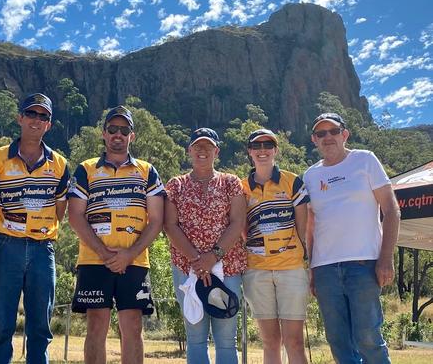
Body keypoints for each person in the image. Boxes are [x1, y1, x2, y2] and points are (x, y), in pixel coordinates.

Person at [67, 105, 164, 364]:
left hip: (134, 262)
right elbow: (75, 215)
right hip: (94, 260)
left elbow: (156, 219)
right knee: (96, 327)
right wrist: (103, 253)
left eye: (124, 130)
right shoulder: (85, 169)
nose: (118, 134)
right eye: (113, 129)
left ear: (132, 136)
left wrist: (129, 254)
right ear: (104, 133)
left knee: (132, 328)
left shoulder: (147, 170)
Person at [304, 113, 400, 363]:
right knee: (338, 342)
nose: (328, 137)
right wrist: (312, 270)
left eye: (333, 131)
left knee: (368, 338)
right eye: (321, 133)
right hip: (324, 269)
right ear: (314, 140)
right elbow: (311, 227)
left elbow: (391, 210)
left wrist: (386, 258)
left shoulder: (365, 160)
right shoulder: (310, 176)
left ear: (344, 134)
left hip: (363, 264)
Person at [0, 93, 70, 364]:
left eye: (43, 116)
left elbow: (60, 210)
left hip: (43, 250)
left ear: (49, 125)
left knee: (41, 329)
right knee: (1, 326)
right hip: (5, 247)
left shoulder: (60, 164)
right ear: (19, 118)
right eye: (31, 114)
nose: (36, 120)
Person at [164, 127, 247, 364]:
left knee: (226, 339)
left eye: (208, 147)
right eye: (198, 146)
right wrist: (196, 261)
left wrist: (212, 257)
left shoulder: (231, 182)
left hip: (227, 268)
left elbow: (237, 221)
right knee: (196, 338)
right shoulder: (176, 185)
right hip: (186, 269)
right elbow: (170, 225)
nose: (202, 151)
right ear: (189, 150)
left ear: (216, 151)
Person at [241, 129, 309, 364]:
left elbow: (303, 228)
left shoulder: (293, 181)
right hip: (257, 270)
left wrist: (307, 262)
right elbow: (241, 229)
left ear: (276, 150)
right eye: (256, 146)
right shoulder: (241, 188)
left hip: (291, 269)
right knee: (270, 342)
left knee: (295, 341)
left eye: (267, 145)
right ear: (250, 152)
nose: (262, 150)